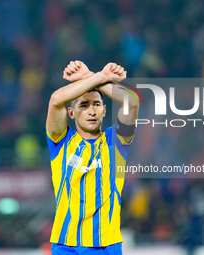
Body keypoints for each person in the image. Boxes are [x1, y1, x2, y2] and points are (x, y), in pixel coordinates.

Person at [46, 60, 139, 254]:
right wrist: (99, 77)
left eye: (97, 104)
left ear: (104, 111)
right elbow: (56, 100)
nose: (91, 111)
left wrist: (90, 77)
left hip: (106, 245)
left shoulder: (116, 142)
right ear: (71, 112)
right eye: (84, 105)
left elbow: (132, 102)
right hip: (66, 245)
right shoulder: (61, 142)